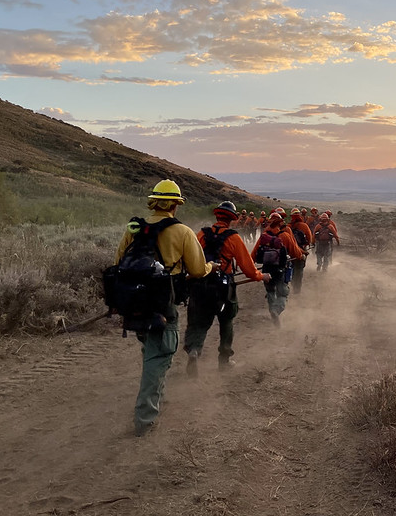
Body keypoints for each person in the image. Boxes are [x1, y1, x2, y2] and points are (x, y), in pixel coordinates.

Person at [114, 179, 216, 437]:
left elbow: (118, 262)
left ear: (153, 201)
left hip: (135, 302)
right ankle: (144, 419)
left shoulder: (135, 228)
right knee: (160, 355)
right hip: (163, 304)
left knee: (151, 349)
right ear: (175, 204)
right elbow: (196, 270)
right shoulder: (182, 232)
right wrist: (210, 267)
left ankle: (154, 400)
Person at [185, 201, 270, 375]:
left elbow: (189, 259)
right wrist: (261, 276)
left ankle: (194, 351)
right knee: (227, 321)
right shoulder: (234, 238)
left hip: (200, 284)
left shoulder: (201, 234)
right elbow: (248, 269)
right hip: (224, 288)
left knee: (199, 323)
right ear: (232, 219)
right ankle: (224, 360)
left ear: (216, 216)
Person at [252, 210, 304, 327]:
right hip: (281, 270)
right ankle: (276, 310)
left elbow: (254, 255)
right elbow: (296, 252)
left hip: (266, 270)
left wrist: (250, 268)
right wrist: (301, 256)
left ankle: (272, 310)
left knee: (270, 291)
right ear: (280, 223)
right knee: (283, 293)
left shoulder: (263, 237)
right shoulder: (285, 235)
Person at [289, 207, 312, 294]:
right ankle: (297, 289)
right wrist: (307, 245)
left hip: (290, 251)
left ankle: (292, 282)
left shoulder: (288, 226)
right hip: (302, 250)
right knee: (299, 269)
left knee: (291, 267)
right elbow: (309, 238)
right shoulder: (304, 225)